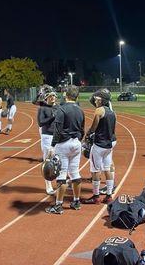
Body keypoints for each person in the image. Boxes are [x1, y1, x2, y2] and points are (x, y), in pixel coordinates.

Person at [45, 85, 84, 215]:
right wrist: (78, 140)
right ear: (76, 96)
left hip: (63, 143)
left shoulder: (62, 109)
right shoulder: (80, 110)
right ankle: (77, 201)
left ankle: (58, 205)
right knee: (75, 172)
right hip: (76, 143)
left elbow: (57, 130)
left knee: (61, 174)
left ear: (66, 95)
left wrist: (52, 145)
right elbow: (82, 129)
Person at [82, 89, 116, 205]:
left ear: (101, 100)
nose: (95, 101)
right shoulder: (112, 112)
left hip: (98, 145)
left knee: (95, 171)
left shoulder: (99, 111)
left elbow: (93, 128)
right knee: (107, 169)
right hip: (108, 146)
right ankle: (109, 195)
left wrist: (87, 135)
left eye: (97, 99)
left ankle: (96, 196)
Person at [37, 88, 58, 195]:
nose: (52, 97)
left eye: (54, 95)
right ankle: (48, 185)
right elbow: (41, 122)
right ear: (46, 98)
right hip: (47, 137)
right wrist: (52, 117)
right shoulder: (43, 108)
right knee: (48, 162)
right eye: (50, 96)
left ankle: (59, 181)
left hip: (57, 136)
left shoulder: (58, 107)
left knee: (58, 160)